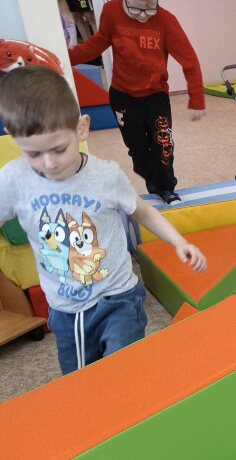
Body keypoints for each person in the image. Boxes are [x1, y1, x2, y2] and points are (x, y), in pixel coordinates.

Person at [0, 65, 206, 375]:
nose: (49, 163)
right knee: (82, 382)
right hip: (66, 308)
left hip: (118, 296)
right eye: (34, 154)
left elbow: (142, 211)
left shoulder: (106, 176)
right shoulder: (14, 179)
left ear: (81, 128)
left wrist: (179, 242)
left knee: (123, 372)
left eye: (59, 149)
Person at [67, 0, 206, 205]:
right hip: (123, 96)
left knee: (163, 144)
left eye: (149, 10)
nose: (142, 15)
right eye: (135, 9)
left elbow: (189, 59)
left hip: (155, 95)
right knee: (138, 148)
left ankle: (166, 188)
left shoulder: (166, 21)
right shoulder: (111, 11)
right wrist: (65, 57)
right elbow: (97, 43)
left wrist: (197, 98)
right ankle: (153, 180)